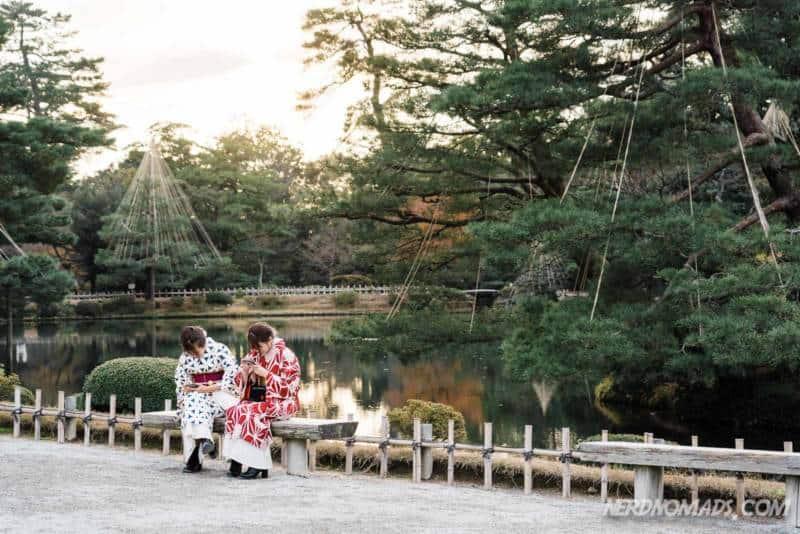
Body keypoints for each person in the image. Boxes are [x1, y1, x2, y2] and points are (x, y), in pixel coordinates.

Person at [223, 323, 301, 479]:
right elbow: (238, 384)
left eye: (259, 346)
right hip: (258, 398)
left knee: (251, 413)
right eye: (254, 347)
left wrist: (267, 374)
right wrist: (244, 372)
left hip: (283, 401)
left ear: (270, 340)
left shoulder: (286, 355)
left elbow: (291, 388)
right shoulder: (254, 354)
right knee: (234, 411)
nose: (257, 350)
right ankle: (237, 460)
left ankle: (256, 464)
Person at [174, 326, 237, 473]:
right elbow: (181, 381)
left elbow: (233, 374)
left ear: (203, 342)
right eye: (192, 352)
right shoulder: (184, 359)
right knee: (190, 405)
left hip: (221, 395)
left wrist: (209, 388)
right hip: (199, 398)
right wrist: (187, 390)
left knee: (193, 407)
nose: (198, 353)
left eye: (199, 348)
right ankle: (205, 441)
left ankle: (196, 456)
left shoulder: (220, 349)